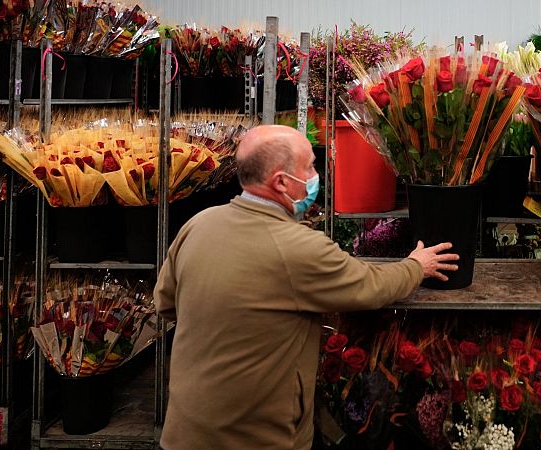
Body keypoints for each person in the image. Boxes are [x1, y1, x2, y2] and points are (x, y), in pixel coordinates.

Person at [154, 125, 459, 450]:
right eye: (310, 167)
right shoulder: (297, 246)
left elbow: (166, 303)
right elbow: (372, 287)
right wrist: (416, 265)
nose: (317, 176)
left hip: (183, 432)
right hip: (256, 438)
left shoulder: (198, 225)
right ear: (281, 182)